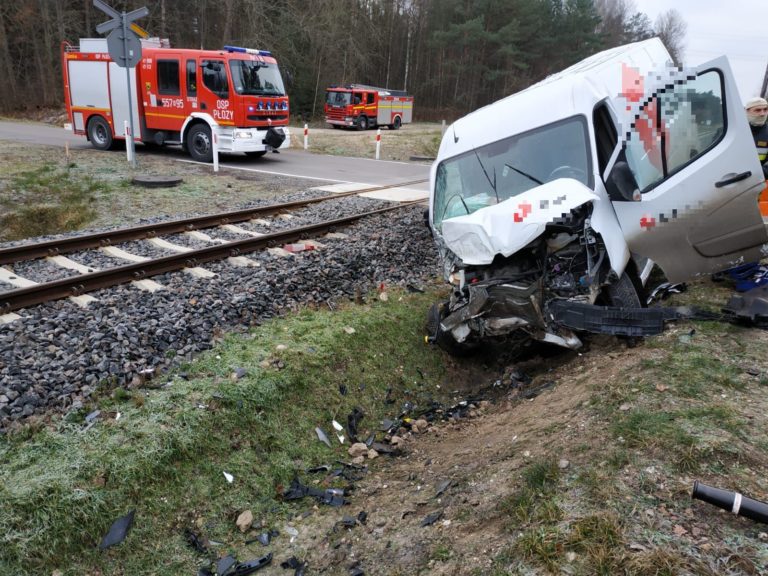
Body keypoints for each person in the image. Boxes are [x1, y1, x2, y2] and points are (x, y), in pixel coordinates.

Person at [745, 96, 768, 178]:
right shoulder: (730, 131)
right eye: (758, 110)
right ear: (747, 111)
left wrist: (754, 174)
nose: (762, 114)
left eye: (765, 109)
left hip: (757, 182)